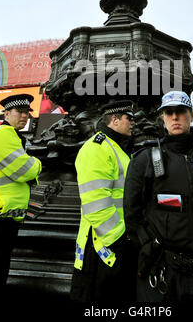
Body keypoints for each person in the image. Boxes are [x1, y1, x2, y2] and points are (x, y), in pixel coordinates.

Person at [124, 91, 193, 303]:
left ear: (192, 114)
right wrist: (150, 245)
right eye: (169, 112)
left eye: (181, 112)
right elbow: (132, 213)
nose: (175, 117)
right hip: (165, 271)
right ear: (163, 118)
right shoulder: (145, 159)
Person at [70, 100, 136, 303]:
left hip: (113, 242)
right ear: (114, 120)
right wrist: (118, 239)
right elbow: (96, 202)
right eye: (129, 118)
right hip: (103, 246)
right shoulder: (97, 147)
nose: (133, 123)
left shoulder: (116, 147)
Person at [0, 93, 42, 297]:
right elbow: (26, 171)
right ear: (6, 113)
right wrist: (38, 164)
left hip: (0, 216)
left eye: (27, 112)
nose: (24, 116)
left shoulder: (13, 137)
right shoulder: (3, 135)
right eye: (19, 112)